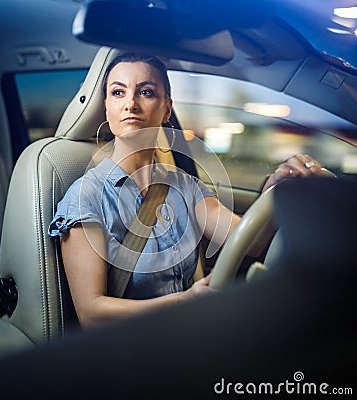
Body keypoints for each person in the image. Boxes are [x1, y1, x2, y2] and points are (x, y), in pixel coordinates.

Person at [48, 52, 326, 327]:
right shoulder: (86, 196)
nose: (130, 104)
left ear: (167, 108)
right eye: (118, 93)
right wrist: (185, 302)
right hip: (130, 352)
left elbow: (249, 241)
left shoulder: (184, 186)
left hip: (190, 335)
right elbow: (92, 314)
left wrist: (276, 186)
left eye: (145, 92)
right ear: (106, 107)